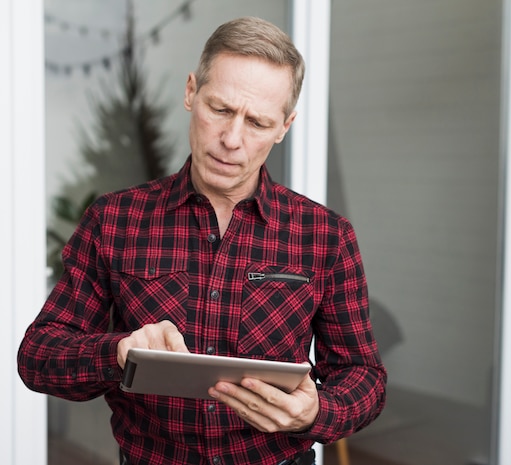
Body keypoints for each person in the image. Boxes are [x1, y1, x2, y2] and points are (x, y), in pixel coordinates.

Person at [18, 16, 386, 465]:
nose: (232, 139)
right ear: (191, 92)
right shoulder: (114, 220)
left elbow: (363, 375)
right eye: (221, 109)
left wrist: (317, 411)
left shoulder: (326, 236)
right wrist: (115, 352)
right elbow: (38, 356)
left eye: (257, 122)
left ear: (284, 126)